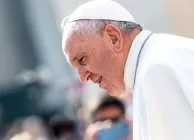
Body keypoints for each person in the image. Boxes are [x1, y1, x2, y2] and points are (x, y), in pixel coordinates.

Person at [61, 0, 194, 139]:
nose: (83, 78)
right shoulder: (157, 58)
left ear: (113, 38)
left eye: (83, 59)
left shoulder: (155, 71)